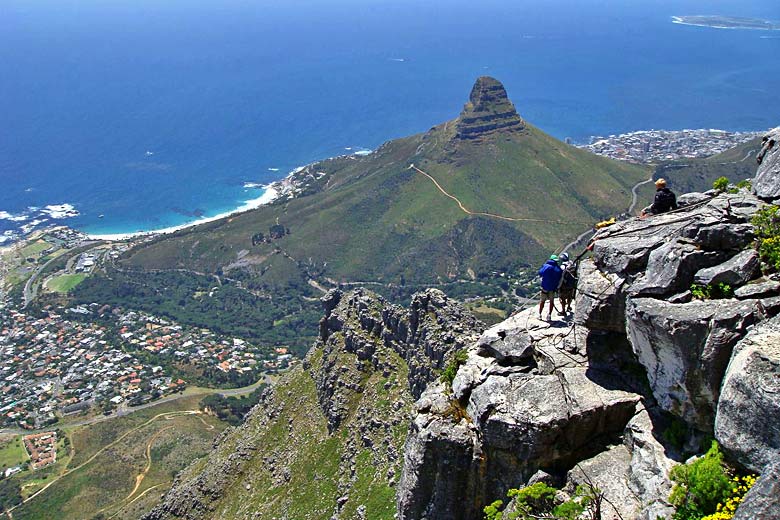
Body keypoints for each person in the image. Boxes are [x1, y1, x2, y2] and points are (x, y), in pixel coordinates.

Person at [538, 254, 563, 321]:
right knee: (551, 302)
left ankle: (540, 315)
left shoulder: (546, 266)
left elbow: (540, 273)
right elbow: (560, 277)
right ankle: (549, 315)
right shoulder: (558, 269)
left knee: (542, 301)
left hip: (544, 287)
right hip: (552, 288)